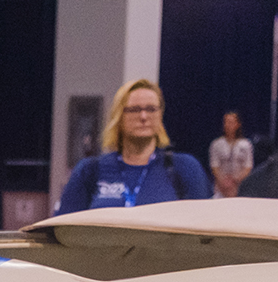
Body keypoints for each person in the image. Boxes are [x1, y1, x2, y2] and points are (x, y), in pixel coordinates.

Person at [54, 79, 212, 215]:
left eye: (151, 109)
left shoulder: (184, 167)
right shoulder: (90, 170)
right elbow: (61, 230)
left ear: (160, 114)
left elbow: (207, 231)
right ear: (119, 116)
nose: (143, 117)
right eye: (135, 110)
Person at [208, 110, 253, 198]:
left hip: (239, 189)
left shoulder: (245, 144)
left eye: (231, 122)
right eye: (226, 122)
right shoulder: (217, 144)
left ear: (237, 124)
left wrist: (235, 180)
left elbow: (248, 166)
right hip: (221, 189)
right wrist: (224, 182)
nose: (228, 125)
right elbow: (214, 166)